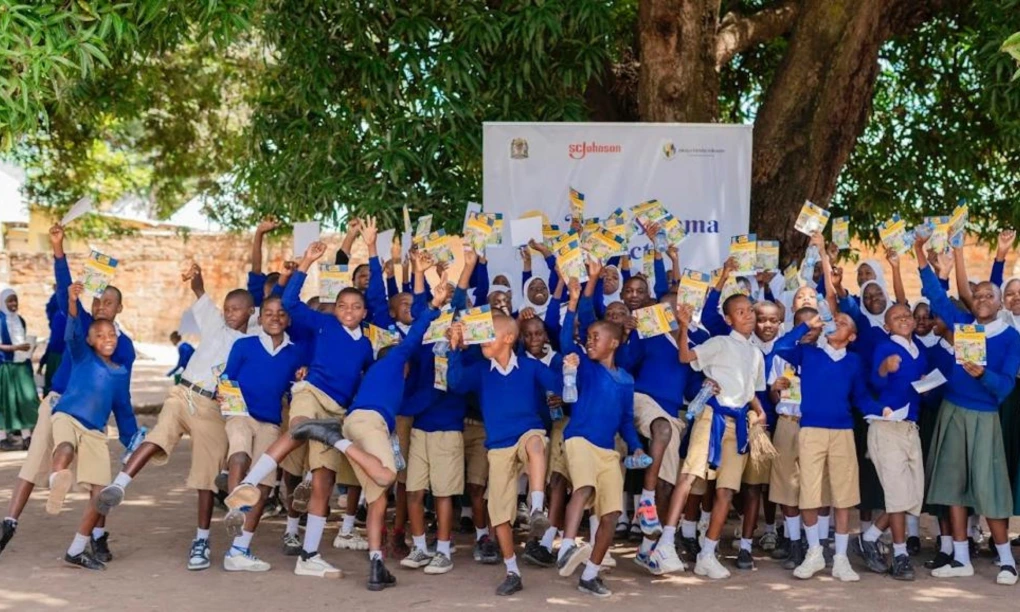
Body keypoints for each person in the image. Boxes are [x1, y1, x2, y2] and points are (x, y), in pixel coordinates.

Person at [222, 240, 375, 581]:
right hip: (311, 393)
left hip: (335, 413)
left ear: (364, 313)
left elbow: (364, 376)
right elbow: (289, 301)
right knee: (299, 428)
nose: (349, 310)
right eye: (343, 305)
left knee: (324, 480)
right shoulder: (323, 324)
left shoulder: (366, 345)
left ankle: (309, 554)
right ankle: (247, 482)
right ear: (335, 309)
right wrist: (306, 261)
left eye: (356, 306)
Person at [95, 264, 253, 572]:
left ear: (250, 311)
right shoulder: (215, 325)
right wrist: (195, 276)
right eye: (227, 308)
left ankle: (201, 540)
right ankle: (119, 485)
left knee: (206, 477)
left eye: (237, 309)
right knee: (160, 434)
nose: (230, 313)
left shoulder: (253, 341)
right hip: (183, 394)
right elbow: (199, 290)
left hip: (212, 408)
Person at [290, 281, 445, 590]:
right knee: (387, 477)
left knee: (376, 498)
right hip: (364, 426)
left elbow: (421, 401)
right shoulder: (394, 361)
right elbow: (413, 337)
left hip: (357, 421)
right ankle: (337, 442)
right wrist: (433, 306)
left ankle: (377, 566)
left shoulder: (382, 383)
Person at [1, 224, 135, 558]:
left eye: (109, 302)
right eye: (98, 300)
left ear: (119, 309)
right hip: (59, 403)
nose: (102, 306)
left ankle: (98, 536)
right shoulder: (80, 329)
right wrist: (58, 249)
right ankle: (9, 523)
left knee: (96, 480)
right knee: (33, 465)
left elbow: (121, 391)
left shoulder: (122, 347)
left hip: (93, 415)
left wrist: (130, 436)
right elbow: (65, 293)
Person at [916, 235, 1020, 585]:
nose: (981, 300)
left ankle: (1006, 561)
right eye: (976, 296)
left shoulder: (1010, 337)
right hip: (952, 411)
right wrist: (919, 252)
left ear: (998, 301)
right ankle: (961, 557)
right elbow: (934, 295)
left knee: (989, 488)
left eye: (988, 295)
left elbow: (1005, 385)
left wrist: (983, 375)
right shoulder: (962, 326)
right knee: (952, 486)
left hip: (984, 416)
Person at [447, 313, 560, 596]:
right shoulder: (481, 370)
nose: (483, 339)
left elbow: (559, 385)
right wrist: (455, 350)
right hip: (498, 446)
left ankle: (536, 507)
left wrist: (569, 369)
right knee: (499, 512)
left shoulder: (530, 366)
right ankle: (512, 570)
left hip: (526, 432)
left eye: (489, 333)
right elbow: (455, 384)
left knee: (536, 444)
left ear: (509, 338)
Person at [774, 311, 884, 582]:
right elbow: (780, 347)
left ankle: (841, 559)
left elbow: (860, 396)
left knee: (843, 495)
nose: (837, 324)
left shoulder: (854, 361)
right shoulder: (809, 353)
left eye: (844, 323)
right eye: (835, 320)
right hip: (810, 429)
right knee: (809, 492)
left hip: (843, 431)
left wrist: (882, 410)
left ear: (852, 336)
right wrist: (805, 326)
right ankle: (814, 553)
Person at [555, 275, 645, 598]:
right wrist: (575, 301)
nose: (589, 342)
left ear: (613, 343)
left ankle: (590, 574)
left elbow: (625, 421)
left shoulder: (625, 380)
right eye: (588, 336)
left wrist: (634, 447)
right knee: (584, 487)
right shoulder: (586, 368)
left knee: (611, 515)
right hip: (578, 438)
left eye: (595, 337)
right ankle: (566, 545)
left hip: (608, 451)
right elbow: (566, 340)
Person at [668, 295, 767, 580]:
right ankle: (665, 543)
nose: (748, 315)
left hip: (738, 424)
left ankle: (708, 554)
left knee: (727, 490)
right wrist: (684, 328)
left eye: (750, 310)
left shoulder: (756, 353)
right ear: (728, 319)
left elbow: (750, 392)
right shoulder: (720, 343)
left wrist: (759, 412)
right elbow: (686, 357)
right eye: (740, 312)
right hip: (712, 418)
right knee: (689, 477)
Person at [49, 281, 137, 569]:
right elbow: (73, 328)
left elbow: (123, 411)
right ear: (89, 340)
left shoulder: (120, 373)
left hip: (96, 432)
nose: (107, 338)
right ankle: (57, 480)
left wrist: (133, 442)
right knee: (64, 446)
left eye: (111, 334)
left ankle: (76, 550)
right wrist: (74, 302)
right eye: (99, 334)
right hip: (67, 416)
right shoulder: (81, 353)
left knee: (100, 497)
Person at [398, 250, 474, 576]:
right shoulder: (425, 342)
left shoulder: (463, 349)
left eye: (451, 309)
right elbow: (419, 306)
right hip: (421, 427)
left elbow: (457, 298)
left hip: (447, 428)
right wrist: (420, 272)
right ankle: (419, 547)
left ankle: (443, 550)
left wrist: (468, 265)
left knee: (444, 493)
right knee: (414, 490)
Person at [218, 295, 306, 572]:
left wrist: (302, 378)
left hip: (270, 422)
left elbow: (293, 391)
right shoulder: (244, 345)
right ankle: (234, 507)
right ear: (259, 318)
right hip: (240, 413)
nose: (275, 318)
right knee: (240, 452)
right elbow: (227, 378)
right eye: (269, 313)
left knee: (265, 483)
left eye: (281, 313)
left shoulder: (296, 353)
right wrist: (225, 396)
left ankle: (239, 550)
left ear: (288, 319)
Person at [854, 303, 927, 581]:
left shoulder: (918, 351)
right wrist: (885, 368)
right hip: (886, 427)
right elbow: (876, 381)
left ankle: (870, 537)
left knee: (912, 494)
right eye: (897, 317)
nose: (905, 319)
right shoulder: (885, 348)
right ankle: (900, 555)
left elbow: (924, 395)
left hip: (910, 428)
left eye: (907, 315)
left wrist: (926, 384)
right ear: (887, 326)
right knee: (898, 495)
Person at [0, 287, 38, 451]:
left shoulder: (20, 320)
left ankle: (27, 437)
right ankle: (2, 438)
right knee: (6, 402)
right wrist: (15, 348)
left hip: (22, 366)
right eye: (10, 301)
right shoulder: (1, 320)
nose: (13, 303)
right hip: (6, 367)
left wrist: (29, 348)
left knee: (25, 401)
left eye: (15, 300)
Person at [39, 292, 66, 397]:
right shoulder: (66, 315)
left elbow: (53, 342)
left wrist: (42, 363)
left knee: (52, 390)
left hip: (55, 359)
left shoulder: (58, 316)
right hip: (62, 358)